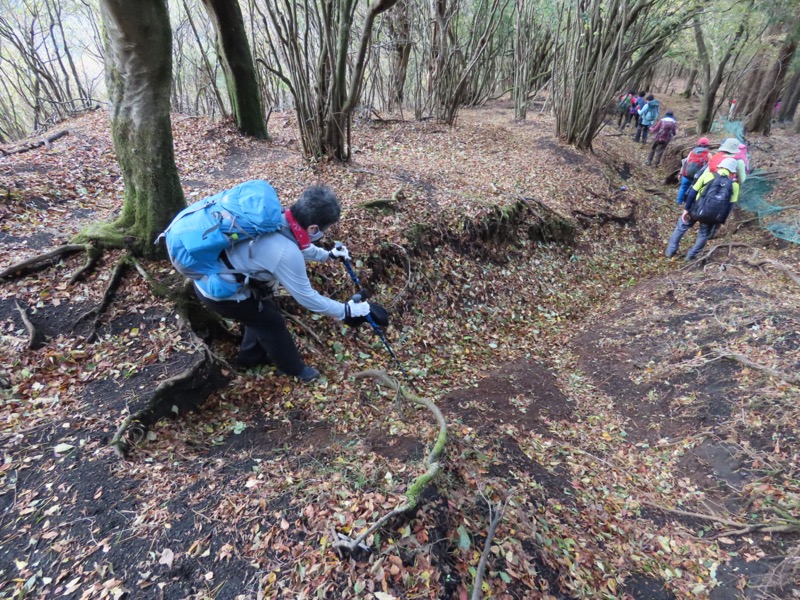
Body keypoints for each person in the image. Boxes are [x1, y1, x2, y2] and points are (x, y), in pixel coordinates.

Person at [193, 184, 374, 383]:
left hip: (208, 273)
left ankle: (249, 358)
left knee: (262, 314)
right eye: (324, 230)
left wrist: (328, 255)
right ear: (313, 228)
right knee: (273, 323)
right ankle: (294, 370)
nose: (323, 234)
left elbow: (300, 245)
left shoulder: (278, 218)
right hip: (220, 291)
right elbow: (307, 298)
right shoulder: (285, 253)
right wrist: (345, 311)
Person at [665, 157, 740, 261]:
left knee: (681, 226)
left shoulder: (708, 175)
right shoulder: (734, 185)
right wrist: (720, 220)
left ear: (720, 166)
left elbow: (692, 192)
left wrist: (686, 209)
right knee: (704, 234)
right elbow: (730, 206)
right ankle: (690, 256)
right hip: (713, 215)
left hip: (695, 209)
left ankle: (670, 251)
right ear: (732, 171)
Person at [676, 137, 711, 204]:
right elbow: (710, 167)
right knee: (693, 190)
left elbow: (685, 163)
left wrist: (680, 173)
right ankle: (687, 203)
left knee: (683, 188)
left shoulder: (692, 152)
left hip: (686, 174)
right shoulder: (708, 154)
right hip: (697, 177)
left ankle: (679, 202)